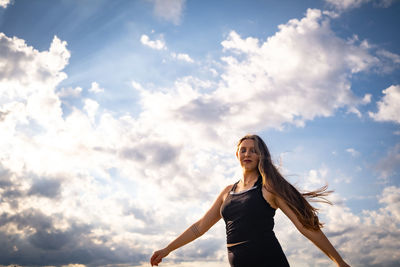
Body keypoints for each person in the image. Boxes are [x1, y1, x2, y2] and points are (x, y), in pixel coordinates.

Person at [150, 134, 350, 267]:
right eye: (243, 149)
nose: (248, 153)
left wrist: (339, 262)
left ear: (261, 155)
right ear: (237, 154)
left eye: (253, 150)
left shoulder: (268, 188)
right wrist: (167, 249)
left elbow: (304, 226)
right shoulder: (227, 192)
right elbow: (199, 227)